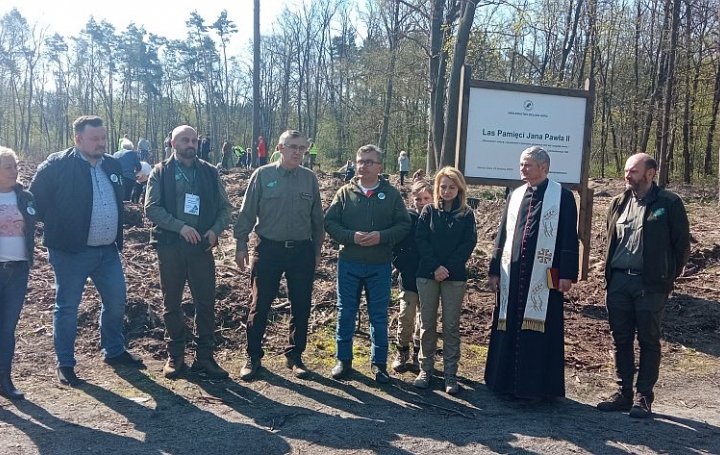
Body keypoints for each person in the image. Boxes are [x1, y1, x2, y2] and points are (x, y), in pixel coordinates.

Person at [29, 115, 143, 387]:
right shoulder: (56, 166)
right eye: (95, 139)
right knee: (67, 308)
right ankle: (65, 364)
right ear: (78, 139)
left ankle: (113, 351)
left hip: (107, 252)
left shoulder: (113, 165)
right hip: (70, 253)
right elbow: (35, 203)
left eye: (103, 138)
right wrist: (62, 227)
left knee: (116, 302)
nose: (101, 143)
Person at [597, 153, 690, 418]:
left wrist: (667, 276)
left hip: (650, 284)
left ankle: (643, 397)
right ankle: (623, 394)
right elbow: (610, 240)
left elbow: (682, 245)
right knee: (620, 339)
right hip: (618, 282)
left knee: (649, 340)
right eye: (626, 171)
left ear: (651, 173)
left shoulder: (669, 203)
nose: (628, 176)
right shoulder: (618, 202)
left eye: (633, 171)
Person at [484, 146, 579, 402]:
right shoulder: (515, 195)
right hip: (512, 276)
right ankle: (502, 383)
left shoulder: (563, 196)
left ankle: (537, 388)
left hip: (545, 277)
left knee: (540, 331)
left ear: (543, 167)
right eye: (521, 164)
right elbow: (502, 235)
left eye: (527, 165)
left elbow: (570, 237)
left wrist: (568, 274)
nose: (522, 169)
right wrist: (494, 270)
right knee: (508, 324)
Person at [234, 130, 325, 381]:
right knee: (259, 305)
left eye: (302, 148)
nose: (297, 152)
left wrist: (317, 250)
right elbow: (247, 213)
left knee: (301, 306)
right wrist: (241, 244)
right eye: (292, 147)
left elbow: (317, 219)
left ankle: (295, 356)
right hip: (268, 249)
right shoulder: (263, 175)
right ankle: (253, 356)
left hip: (301, 251)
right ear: (280, 148)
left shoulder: (309, 179)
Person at [144, 125, 231, 380]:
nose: (190, 144)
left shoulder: (209, 172)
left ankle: (205, 357)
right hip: (170, 246)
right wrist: (180, 227)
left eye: (194, 140)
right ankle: (176, 356)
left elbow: (226, 208)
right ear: (173, 143)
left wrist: (215, 231)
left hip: (202, 246)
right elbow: (151, 208)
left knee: (205, 302)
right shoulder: (161, 172)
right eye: (185, 140)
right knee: (172, 303)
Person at [324, 144, 411, 383]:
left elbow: (404, 225)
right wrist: (352, 237)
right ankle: (343, 360)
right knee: (345, 313)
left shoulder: (391, 194)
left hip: (379, 265)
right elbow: (330, 223)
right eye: (360, 161)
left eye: (369, 162)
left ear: (380, 166)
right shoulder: (344, 192)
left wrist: (382, 237)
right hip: (349, 263)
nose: (363, 166)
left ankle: (379, 363)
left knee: (378, 315)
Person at [413, 168, 477, 394]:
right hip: (427, 275)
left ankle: (450, 374)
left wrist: (447, 268)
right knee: (427, 324)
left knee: (450, 326)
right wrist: (435, 267)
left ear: (459, 188)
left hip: (454, 276)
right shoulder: (428, 211)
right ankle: (425, 370)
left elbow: (468, 243)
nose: (447, 191)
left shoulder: (466, 214)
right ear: (437, 188)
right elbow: (421, 240)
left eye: (451, 187)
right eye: (443, 187)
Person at [0, 147, 36, 400]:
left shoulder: (24, 197)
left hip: (17, 271)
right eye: (8, 167)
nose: (15, 171)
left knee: (7, 329)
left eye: (16, 166)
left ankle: (4, 380)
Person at [390, 180, 433, 373]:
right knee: (405, 316)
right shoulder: (406, 218)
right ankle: (401, 351)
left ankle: (418, 353)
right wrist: (400, 263)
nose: (422, 202)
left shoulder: (436, 218)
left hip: (430, 277)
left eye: (426, 198)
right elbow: (395, 243)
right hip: (408, 277)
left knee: (424, 319)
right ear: (411, 199)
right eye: (418, 198)